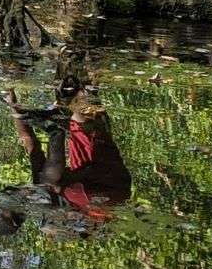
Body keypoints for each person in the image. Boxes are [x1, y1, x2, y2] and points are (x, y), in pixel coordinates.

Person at [12, 82, 132, 221]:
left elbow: (29, 142)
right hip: (105, 188)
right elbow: (58, 178)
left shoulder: (41, 190)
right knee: (79, 120)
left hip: (90, 176)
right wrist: (56, 127)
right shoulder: (51, 198)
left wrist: (14, 108)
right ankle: (79, 93)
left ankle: (80, 92)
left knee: (82, 122)